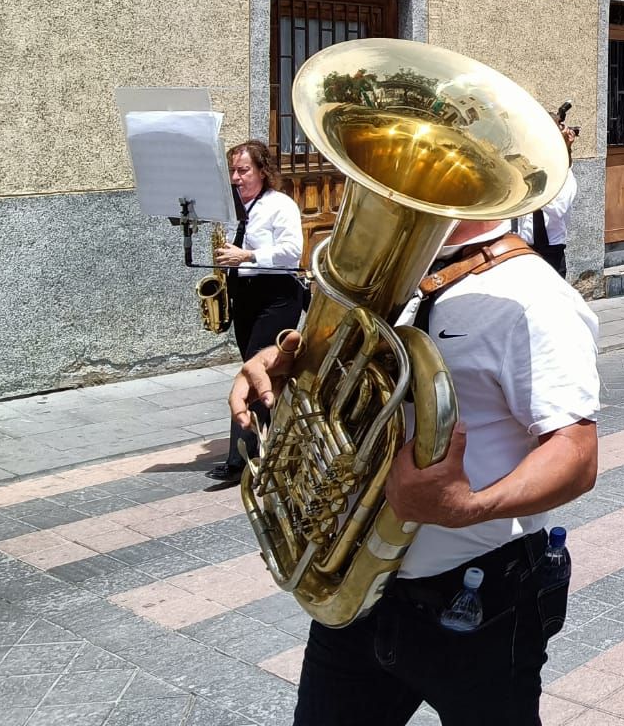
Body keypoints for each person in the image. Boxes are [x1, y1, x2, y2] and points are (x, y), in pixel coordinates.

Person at [229, 210, 601, 725]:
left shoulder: (535, 297)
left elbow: (577, 454)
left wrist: (468, 505)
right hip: (356, 588)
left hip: (477, 600)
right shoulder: (384, 282)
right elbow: (335, 374)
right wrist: (282, 361)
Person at [208, 140, 304, 488]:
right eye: (233, 171)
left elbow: (292, 251)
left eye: (243, 170)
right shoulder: (234, 208)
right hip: (244, 296)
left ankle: (240, 460)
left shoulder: (280, 206)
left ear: (263, 171)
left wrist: (247, 256)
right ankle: (271, 443)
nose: (236, 177)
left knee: (252, 371)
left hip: (276, 295)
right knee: (259, 373)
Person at [515, 121, 579, 276]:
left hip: (550, 251)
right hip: (522, 246)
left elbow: (559, 209)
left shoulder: (565, 177)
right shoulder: (528, 172)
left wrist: (536, 190)